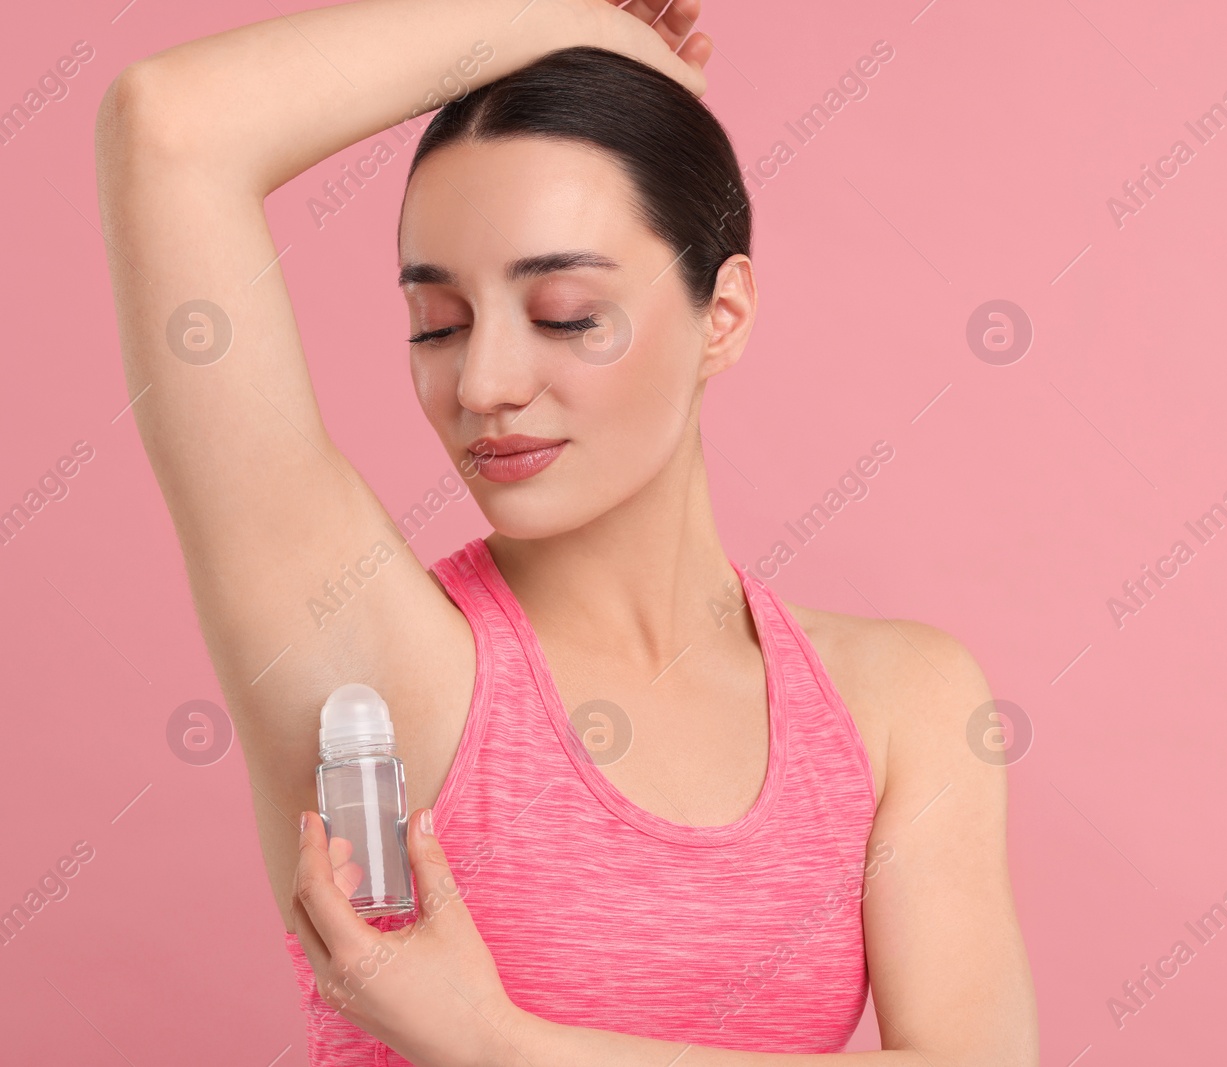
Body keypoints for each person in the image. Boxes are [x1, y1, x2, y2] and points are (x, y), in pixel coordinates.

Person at [94, 1, 1038, 1063]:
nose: (484, 384)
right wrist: (565, 14)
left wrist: (490, 1039)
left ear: (720, 315)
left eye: (564, 313)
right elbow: (168, 126)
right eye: (437, 325)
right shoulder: (373, 659)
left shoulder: (898, 703)